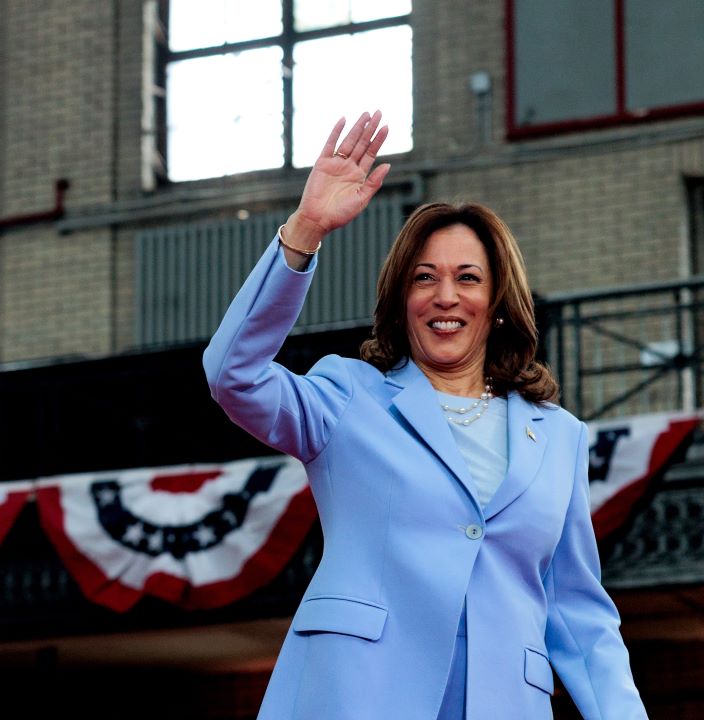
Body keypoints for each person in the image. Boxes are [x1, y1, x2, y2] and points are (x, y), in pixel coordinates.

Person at [203, 112, 646, 719]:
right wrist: (304, 229)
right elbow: (233, 374)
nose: (445, 296)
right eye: (424, 278)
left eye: (468, 278)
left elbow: (578, 613)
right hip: (358, 696)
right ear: (401, 300)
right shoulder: (345, 397)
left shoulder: (559, 436)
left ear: (495, 306)